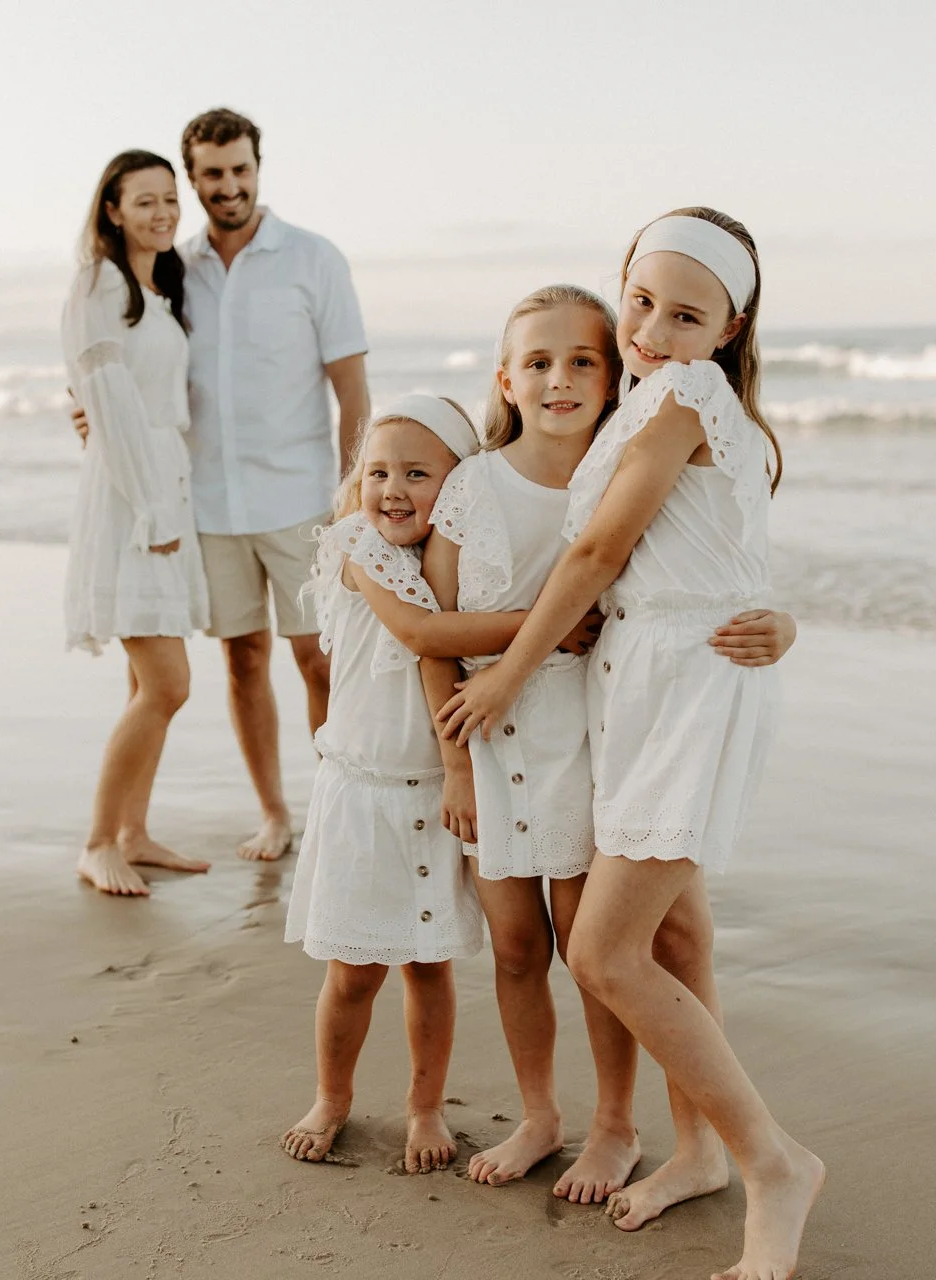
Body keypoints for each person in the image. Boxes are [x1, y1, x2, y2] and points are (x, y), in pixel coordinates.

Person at [440, 209, 824, 1280]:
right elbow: (717, 547)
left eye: (686, 313)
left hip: (688, 689)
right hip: (643, 686)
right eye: (641, 300)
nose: (652, 329)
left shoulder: (688, 393)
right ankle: (696, 1148)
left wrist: (507, 674)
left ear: (731, 323)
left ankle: (772, 1161)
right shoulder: (645, 400)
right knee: (676, 939)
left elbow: (607, 546)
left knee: (604, 950)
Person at [74, 107, 371, 862]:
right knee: (242, 660)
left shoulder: (314, 260)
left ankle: (341, 806)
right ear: (193, 179)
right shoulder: (175, 268)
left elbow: (353, 392)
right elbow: (131, 363)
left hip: (300, 497)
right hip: (205, 503)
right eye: (211, 175)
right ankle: (274, 815)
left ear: (258, 167)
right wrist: (89, 412)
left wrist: (351, 496)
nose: (228, 186)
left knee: (320, 661)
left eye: (241, 170)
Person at [281, 396, 486, 1173]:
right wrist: (550, 624)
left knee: (429, 966)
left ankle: (425, 1105)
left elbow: (447, 655)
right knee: (354, 971)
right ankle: (333, 1096)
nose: (393, 488)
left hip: (427, 793)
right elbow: (423, 636)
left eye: (417, 473)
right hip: (362, 792)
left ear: (458, 484)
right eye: (378, 471)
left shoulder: (452, 559)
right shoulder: (357, 542)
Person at [61, 150, 211, 897]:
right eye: (143, 201)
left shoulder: (154, 290)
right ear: (111, 210)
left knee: (144, 683)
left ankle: (134, 831)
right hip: (134, 498)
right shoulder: (100, 282)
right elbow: (107, 399)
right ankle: (97, 842)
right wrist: (151, 507)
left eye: (168, 201)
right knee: (167, 683)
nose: (160, 213)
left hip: (162, 483)